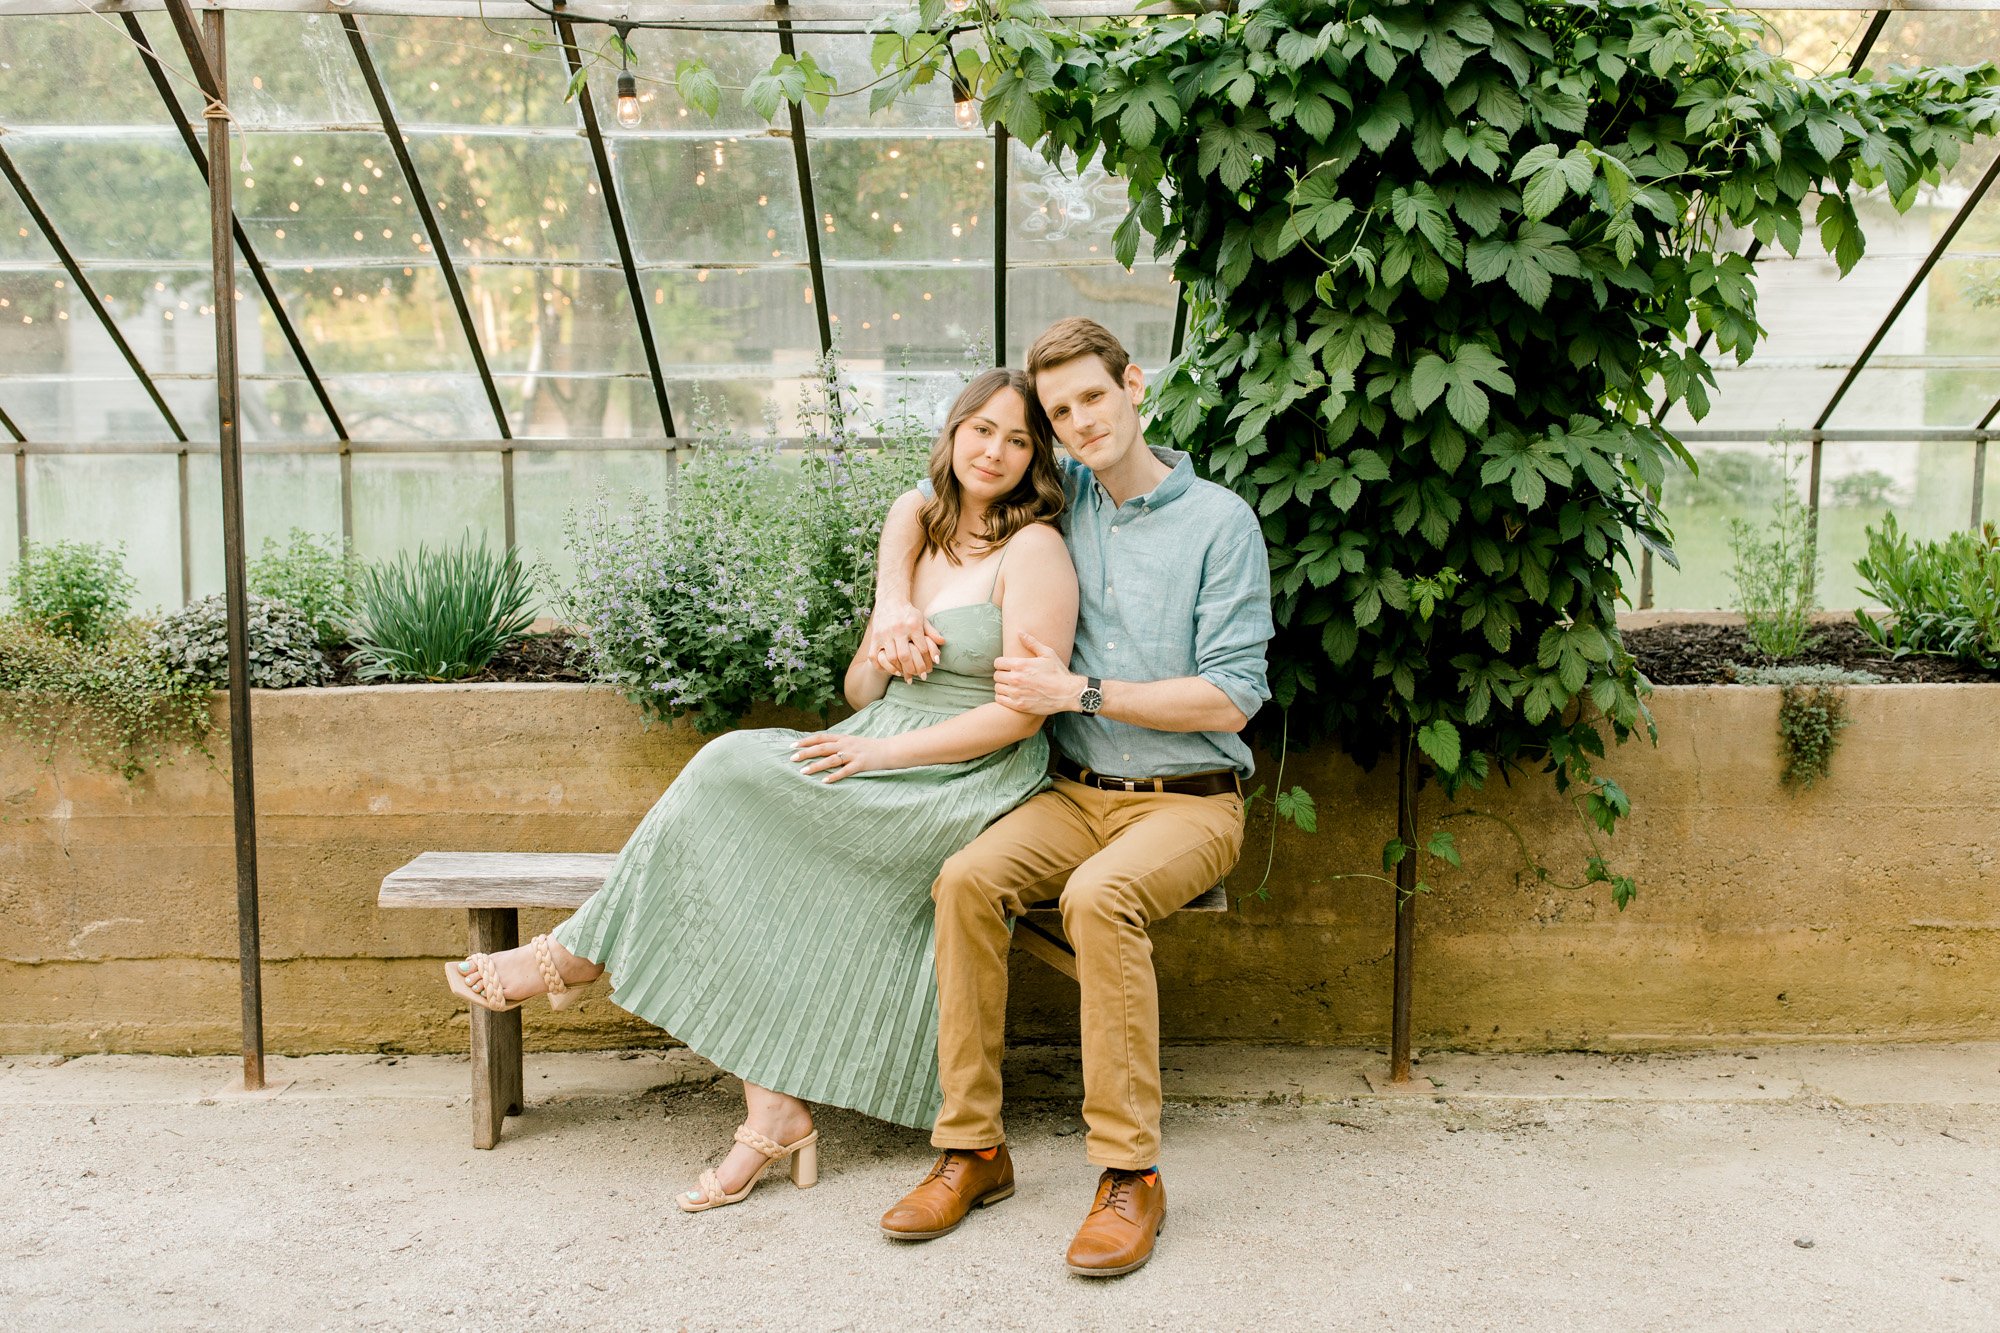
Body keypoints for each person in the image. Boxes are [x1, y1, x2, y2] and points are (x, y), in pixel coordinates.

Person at [444, 368, 1078, 1213]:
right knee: (734, 793)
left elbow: (1021, 718)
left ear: (1037, 458)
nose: (995, 450)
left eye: (1019, 439)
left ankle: (573, 955)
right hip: (878, 739)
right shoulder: (917, 527)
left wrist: (884, 762)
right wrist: (884, 649)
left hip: (963, 772)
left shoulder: (1033, 548)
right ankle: (772, 1108)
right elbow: (861, 693)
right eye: (983, 429)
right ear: (954, 430)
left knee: (730, 772)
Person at [869, 318, 1274, 1277]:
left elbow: (1233, 696)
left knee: (1100, 897)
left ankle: (1129, 1172)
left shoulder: (1221, 522)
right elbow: (928, 504)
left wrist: (1080, 692)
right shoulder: (1061, 504)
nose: (1080, 421)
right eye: (1060, 411)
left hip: (1190, 801)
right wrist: (892, 603)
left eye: (1094, 396)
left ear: (1134, 385)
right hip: (1072, 791)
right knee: (966, 879)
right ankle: (972, 1148)